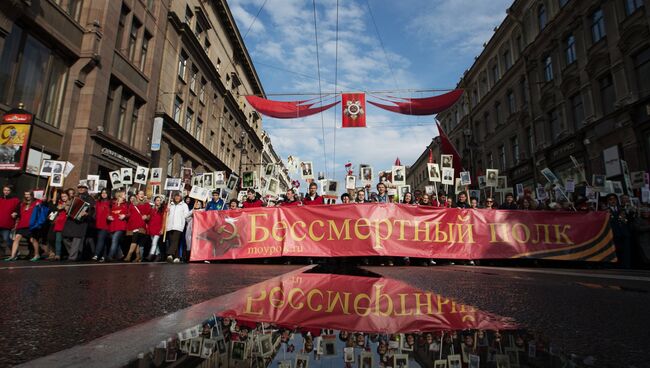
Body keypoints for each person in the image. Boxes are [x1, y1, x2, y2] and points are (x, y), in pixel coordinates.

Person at [62, 183, 95, 261]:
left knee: (77, 239)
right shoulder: (75, 197)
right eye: (79, 187)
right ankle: (76, 252)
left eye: (83, 188)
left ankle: (72, 257)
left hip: (81, 221)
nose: (81, 189)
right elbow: (70, 206)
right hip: (71, 219)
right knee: (65, 236)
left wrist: (87, 213)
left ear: (86, 189)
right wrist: (67, 208)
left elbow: (92, 210)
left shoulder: (90, 198)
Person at [5, 191, 42, 262]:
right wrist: (15, 214)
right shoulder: (22, 204)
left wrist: (41, 200)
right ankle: (13, 256)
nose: (27, 196)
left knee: (32, 240)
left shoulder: (35, 203)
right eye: (25, 194)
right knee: (16, 239)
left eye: (28, 194)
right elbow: (19, 213)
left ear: (32, 195)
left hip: (31, 225)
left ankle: (37, 254)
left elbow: (41, 204)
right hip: (21, 225)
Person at [125, 190, 151, 262]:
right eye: (140, 194)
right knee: (137, 241)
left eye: (143, 194)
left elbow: (149, 214)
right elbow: (129, 213)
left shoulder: (146, 204)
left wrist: (147, 217)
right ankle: (138, 256)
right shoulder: (133, 204)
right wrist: (125, 216)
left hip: (141, 224)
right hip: (133, 224)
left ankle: (129, 255)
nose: (142, 195)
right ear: (137, 195)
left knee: (134, 239)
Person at [607, 193, 632, 268]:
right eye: (610, 199)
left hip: (624, 233)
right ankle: (617, 266)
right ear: (608, 201)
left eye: (614, 199)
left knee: (626, 251)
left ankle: (626, 265)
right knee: (617, 251)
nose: (613, 201)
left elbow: (628, 220)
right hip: (614, 234)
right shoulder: (606, 211)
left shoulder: (623, 209)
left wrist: (631, 212)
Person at [165, 192, 189, 263]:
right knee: (173, 242)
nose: (177, 198)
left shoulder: (184, 205)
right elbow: (167, 215)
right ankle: (177, 257)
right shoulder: (170, 205)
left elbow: (186, 215)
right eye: (176, 196)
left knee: (175, 241)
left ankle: (169, 254)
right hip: (170, 226)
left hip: (178, 226)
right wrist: (167, 212)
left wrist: (192, 212)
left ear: (181, 197)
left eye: (178, 196)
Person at [0, 185, 20, 256]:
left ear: (11, 191)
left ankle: (15, 252)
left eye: (8, 190)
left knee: (7, 239)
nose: (6, 192)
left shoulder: (15, 200)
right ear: (3, 191)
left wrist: (16, 213)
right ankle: (1, 253)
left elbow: (18, 210)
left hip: (7, 223)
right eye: (5, 190)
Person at [92, 189, 111, 261]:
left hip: (106, 224)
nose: (104, 194)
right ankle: (104, 256)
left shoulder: (110, 203)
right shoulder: (97, 202)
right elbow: (95, 213)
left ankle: (96, 255)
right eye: (102, 193)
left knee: (100, 239)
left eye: (105, 193)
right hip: (98, 223)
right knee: (103, 240)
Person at [50, 191, 70, 261]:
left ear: (68, 196)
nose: (63, 198)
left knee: (66, 240)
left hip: (67, 224)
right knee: (58, 240)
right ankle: (57, 254)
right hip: (59, 224)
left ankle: (70, 253)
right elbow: (55, 210)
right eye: (62, 197)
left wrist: (65, 207)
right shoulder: (59, 203)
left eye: (65, 196)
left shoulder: (71, 203)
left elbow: (70, 211)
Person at [147, 196, 165, 261]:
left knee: (154, 242)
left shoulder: (162, 209)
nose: (159, 201)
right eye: (157, 200)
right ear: (155, 201)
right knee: (155, 243)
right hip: (152, 227)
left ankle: (151, 254)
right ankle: (158, 254)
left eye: (160, 200)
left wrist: (162, 228)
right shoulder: (152, 209)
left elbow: (164, 219)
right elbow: (150, 218)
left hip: (158, 228)